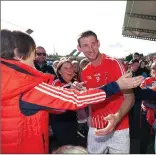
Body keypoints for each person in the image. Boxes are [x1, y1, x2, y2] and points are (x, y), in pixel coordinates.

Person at [1, 29, 144, 154]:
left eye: (93, 43)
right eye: (34, 54)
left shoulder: (9, 79)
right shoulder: (24, 84)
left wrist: (67, 91)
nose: (35, 60)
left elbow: (52, 102)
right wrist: (116, 85)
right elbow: (75, 100)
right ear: (18, 54)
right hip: (26, 146)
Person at [77, 30, 134, 153]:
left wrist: (116, 118)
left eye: (93, 44)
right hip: (96, 128)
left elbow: (129, 97)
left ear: (98, 43)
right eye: (85, 45)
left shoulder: (114, 63)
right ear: (79, 48)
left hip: (119, 127)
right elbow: (91, 101)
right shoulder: (85, 72)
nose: (91, 49)